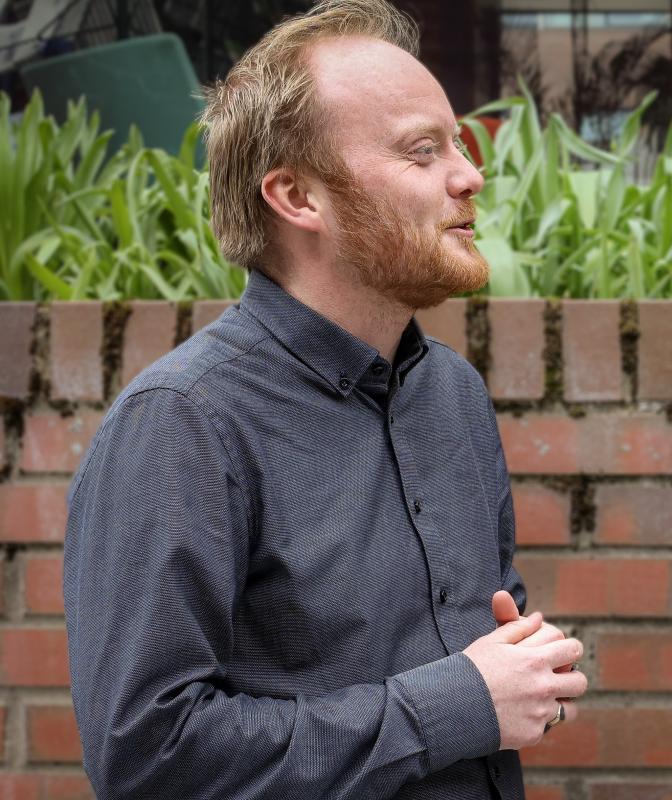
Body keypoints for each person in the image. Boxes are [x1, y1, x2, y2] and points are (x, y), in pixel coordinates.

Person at [62, 2, 586, 797]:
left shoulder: (451, 393)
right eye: (422, 151)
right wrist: (457, 705)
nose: (469, 174)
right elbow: (148, 759)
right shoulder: (183, 423)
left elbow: (484, 653)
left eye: (460, 145)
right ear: (298, 197)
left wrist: (529, 675)